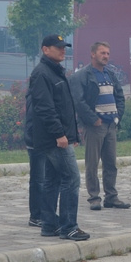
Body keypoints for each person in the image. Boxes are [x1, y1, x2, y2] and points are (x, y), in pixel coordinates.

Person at [25, 35, 88, 241]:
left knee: (52, 180)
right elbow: (45, 108)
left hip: (59, 136)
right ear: (45, 50)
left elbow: (64, 107)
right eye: (58, 47)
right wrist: (59, 134)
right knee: (71, 178)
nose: (63, 50)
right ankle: (69, 226)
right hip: (53, 138)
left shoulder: (55, 72)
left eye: (64, 47)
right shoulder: (42, 74)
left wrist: (72, 135)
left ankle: (50, 224)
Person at [70, 41, 130, 211]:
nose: (105, 56)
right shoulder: (82, 75)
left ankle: (111, 197)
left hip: (111, 125)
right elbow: (78, 101)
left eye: (108, 53)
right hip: (95, 126)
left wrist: (117, 115)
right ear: (93, 54)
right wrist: (92, 119)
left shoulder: (110, 74)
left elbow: (119, 96)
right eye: (102, 53)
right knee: (92, 163)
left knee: (111, 163)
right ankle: (94, 198)